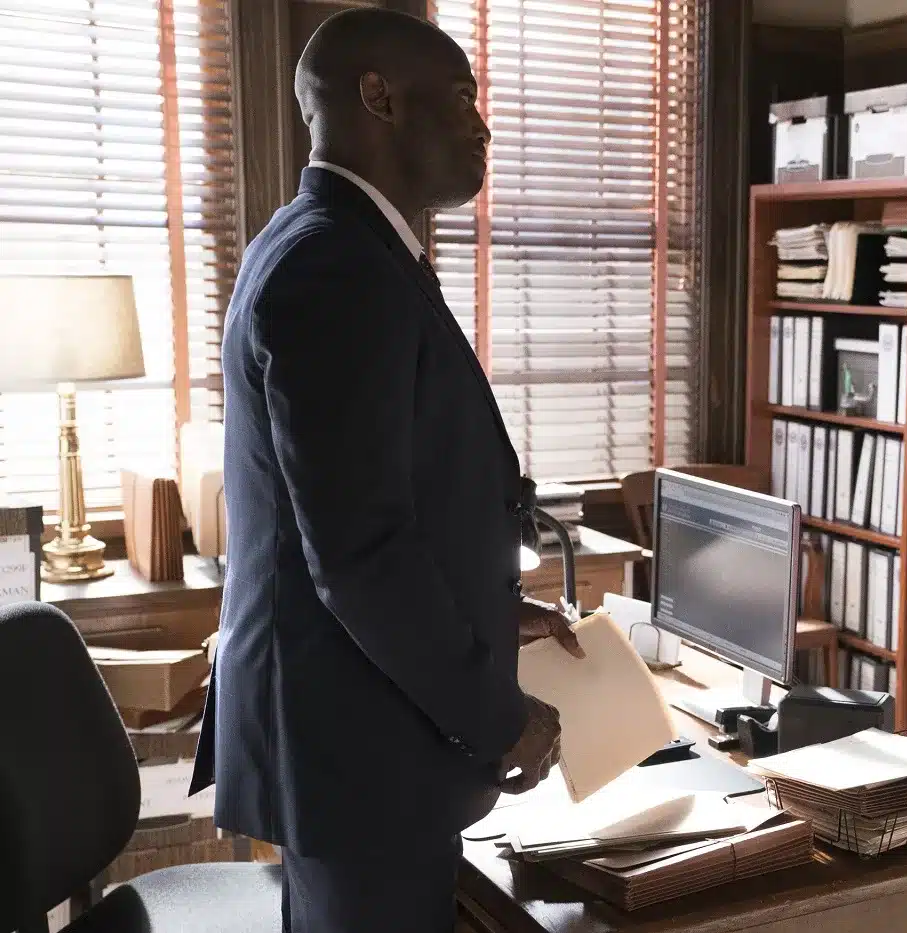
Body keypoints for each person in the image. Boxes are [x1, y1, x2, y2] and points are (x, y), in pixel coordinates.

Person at [188, 9, 582, 932]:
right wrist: (498, 716)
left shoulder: (335, 245)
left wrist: (487, 612)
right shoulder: (335, 266)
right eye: (463, 98)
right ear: (378, 97)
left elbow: (367, 501)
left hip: (356, 736)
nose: (483, 126)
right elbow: (360, 552)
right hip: (358, 754)